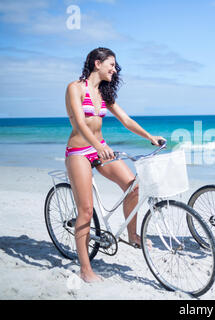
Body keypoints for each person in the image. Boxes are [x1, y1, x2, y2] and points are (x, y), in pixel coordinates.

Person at [65, 47, 165, 282]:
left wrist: (149, 137)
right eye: (111, 64)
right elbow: (79, 123)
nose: (115, 69)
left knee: (134, 186)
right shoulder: (75, 88)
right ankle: (85, 269)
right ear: (97, 63)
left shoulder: (104, 93)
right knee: (86, 211)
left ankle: (132, 235)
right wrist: (98, 146)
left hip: (99, 148)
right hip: (79, 151)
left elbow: (126, 120)